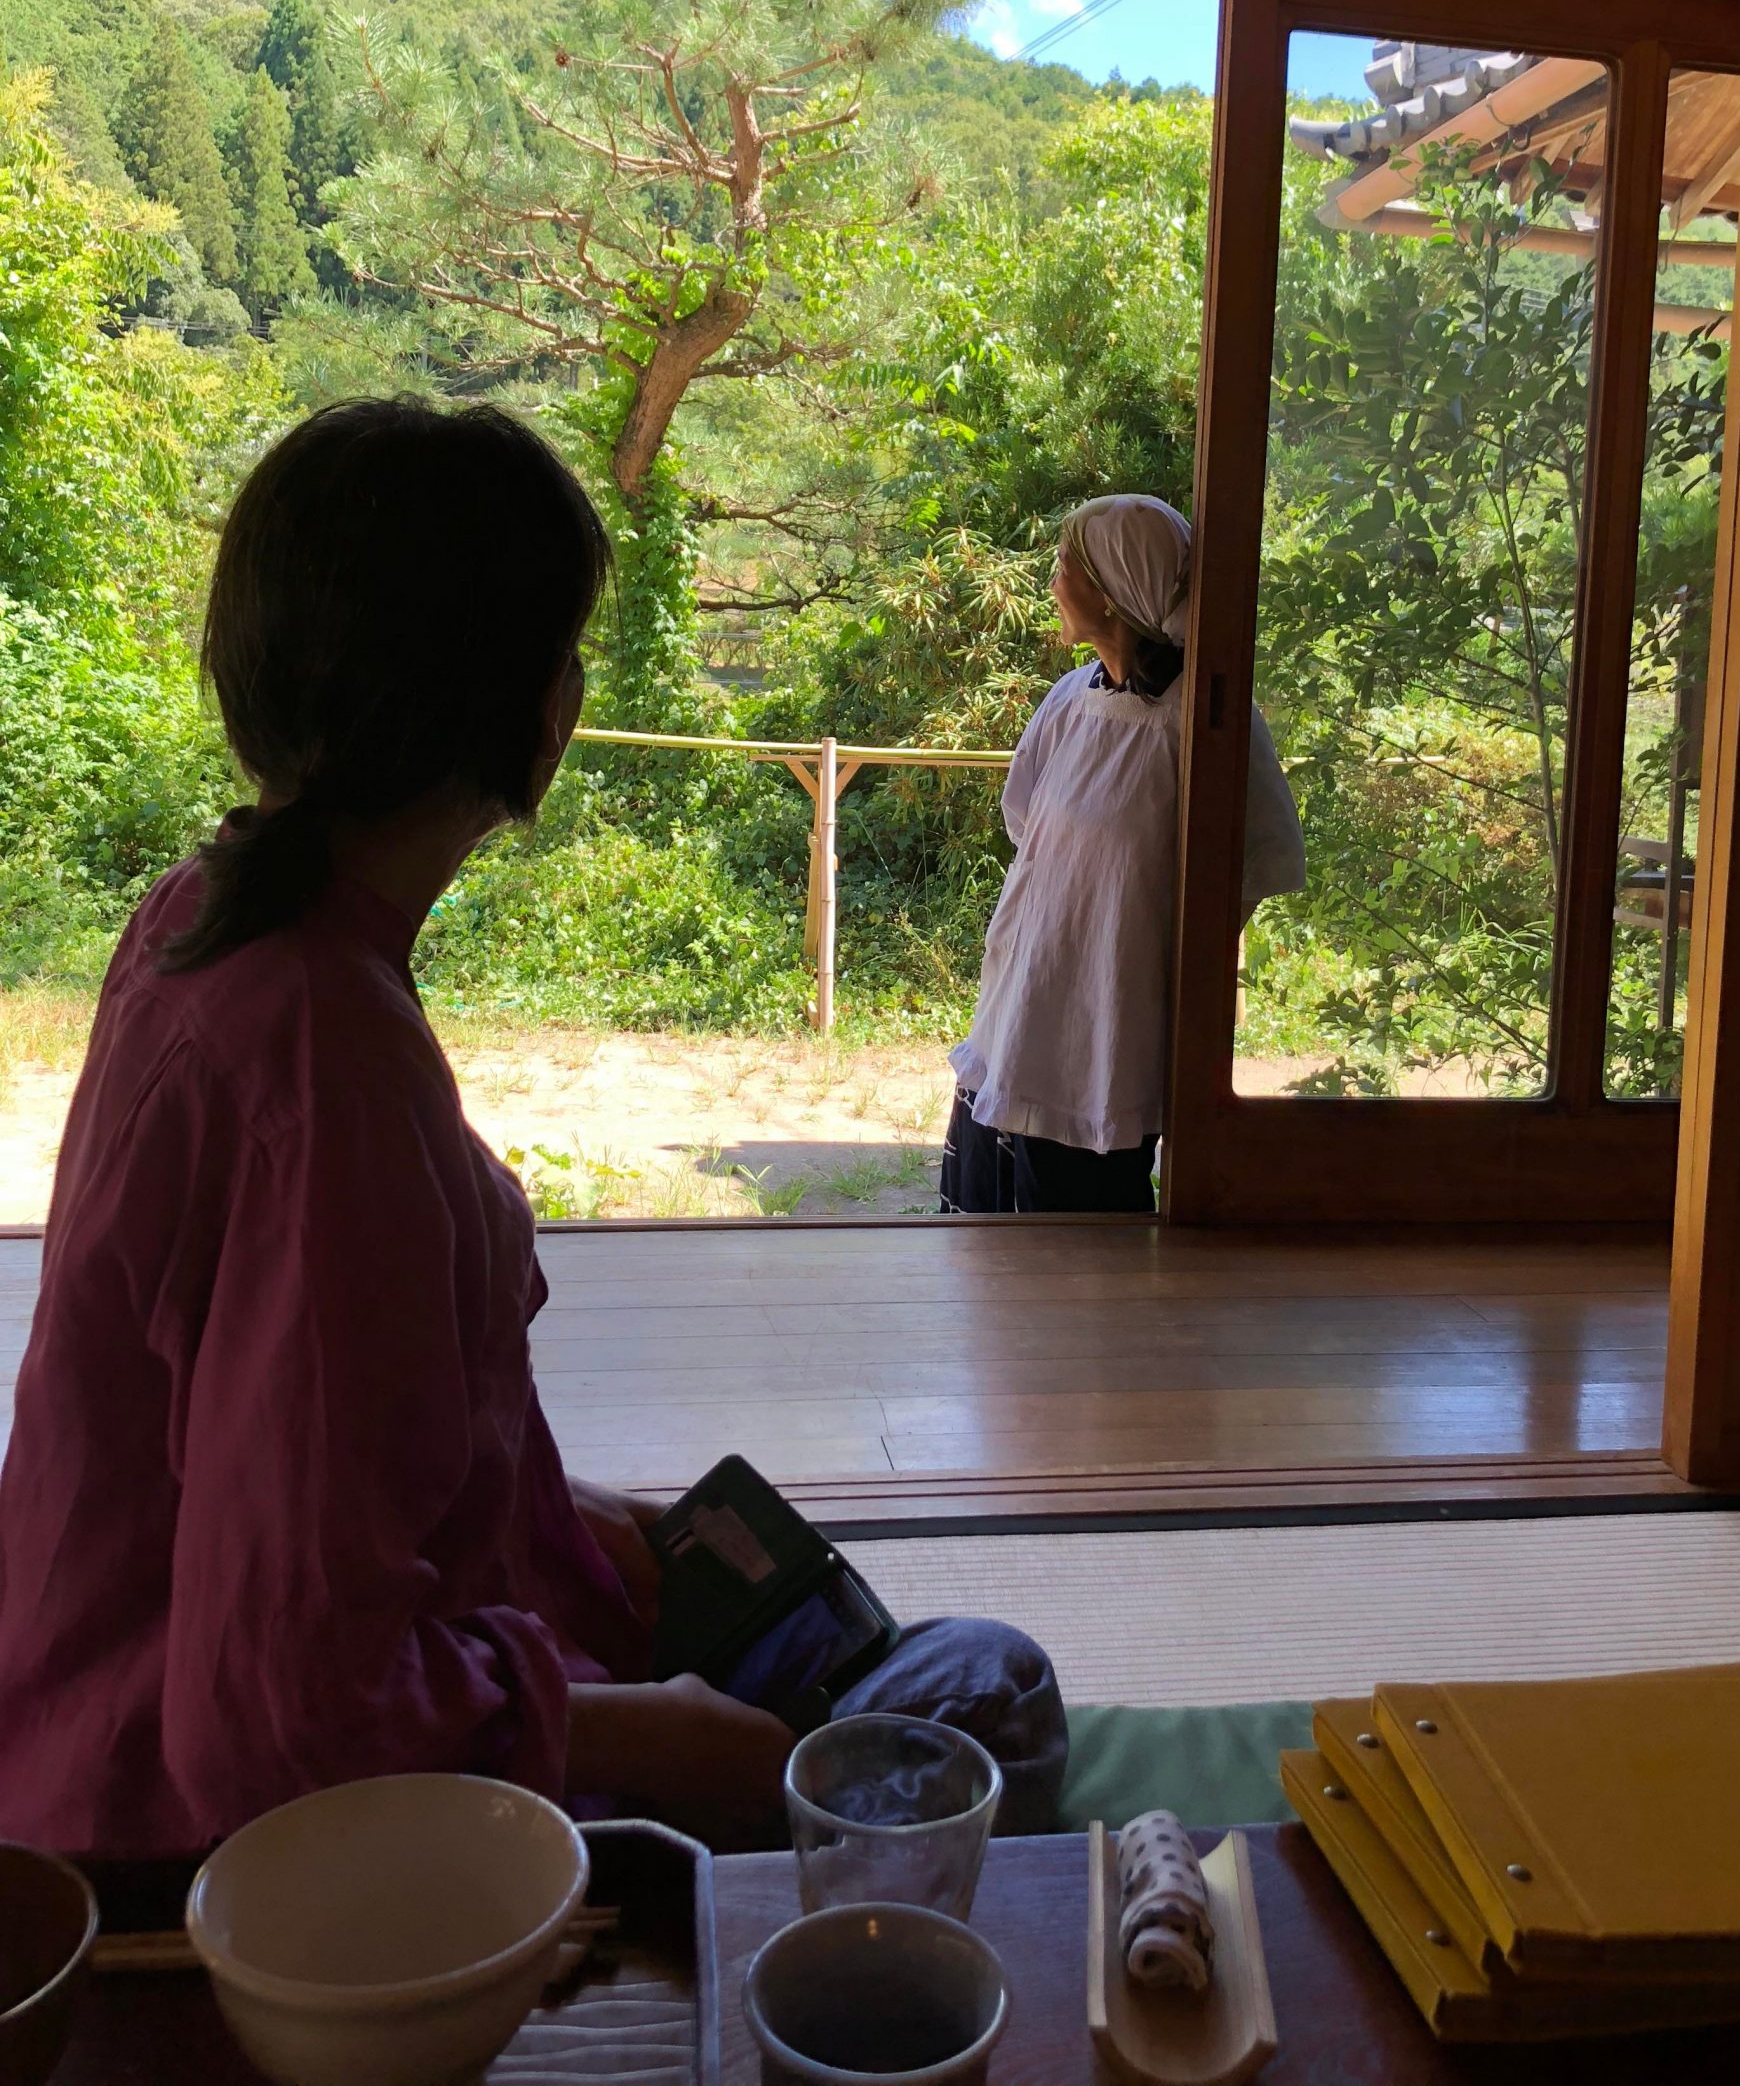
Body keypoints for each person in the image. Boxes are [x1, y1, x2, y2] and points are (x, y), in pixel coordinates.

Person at [0, 400, 1064, 1862]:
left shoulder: (204, 917)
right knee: (990, 1692)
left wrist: (557, 1515)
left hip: (64, 1738)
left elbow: (278, 1458)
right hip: (195, 1854)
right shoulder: (327, 1068)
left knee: (832, 1630)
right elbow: (279, 1723)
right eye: (564, 649)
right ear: (527, 708)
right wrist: (650, 1735)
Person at [942, 493, 1304, 1216]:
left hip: (1107, 1019)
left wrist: (1165, 969)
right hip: (1026, 995)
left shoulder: (1202, 720)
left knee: (1082, 1229)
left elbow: (1258, 860)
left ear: (1112, 593)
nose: (1052, 581)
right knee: (991, 1235)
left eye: (1065, 565)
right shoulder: (1071, 699)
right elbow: (1028, 825)